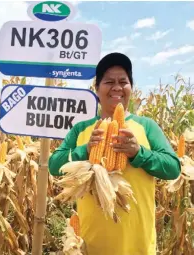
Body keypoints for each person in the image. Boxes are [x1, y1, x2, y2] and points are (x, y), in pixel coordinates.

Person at [48, 52, 181, 255]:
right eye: (109, 81)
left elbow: (173, 168)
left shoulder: (146, 126)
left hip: (138, 245)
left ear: (131, 88)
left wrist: (139, 153)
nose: (117, 87)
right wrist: (85, 150)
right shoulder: (82, 129)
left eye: (123, 81)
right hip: (90, 244)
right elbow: (54, 165)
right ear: (97, 88)